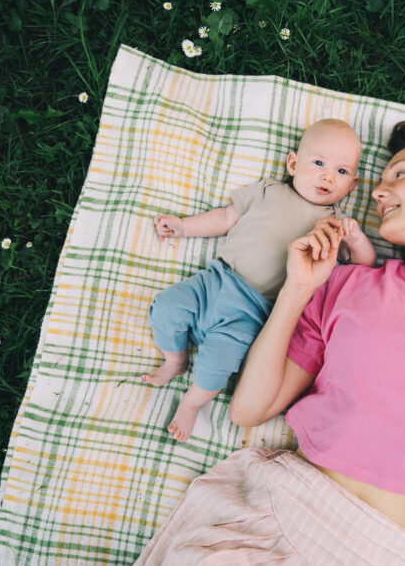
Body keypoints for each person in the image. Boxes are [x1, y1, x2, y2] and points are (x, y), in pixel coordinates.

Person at [135, 121, 405, 565]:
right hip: (271, 517)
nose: (378, 192)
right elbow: (248, 410)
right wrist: (296, 290)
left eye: (400, 174)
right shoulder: (347, 286)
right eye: (380, 181)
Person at [141, 118, 377, 442]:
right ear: (293, 164)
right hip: (216, 280)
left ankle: (192, 403)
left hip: (255, 311)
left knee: (220, 359)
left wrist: (356, 239)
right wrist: (183, 226)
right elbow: (225, 218)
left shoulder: (333, 226)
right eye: (319, 163)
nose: (327, 175)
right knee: (166, 307)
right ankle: (175, 359)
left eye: (341, 171)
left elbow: (364, 265)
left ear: (352, 186)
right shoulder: (267, 190)